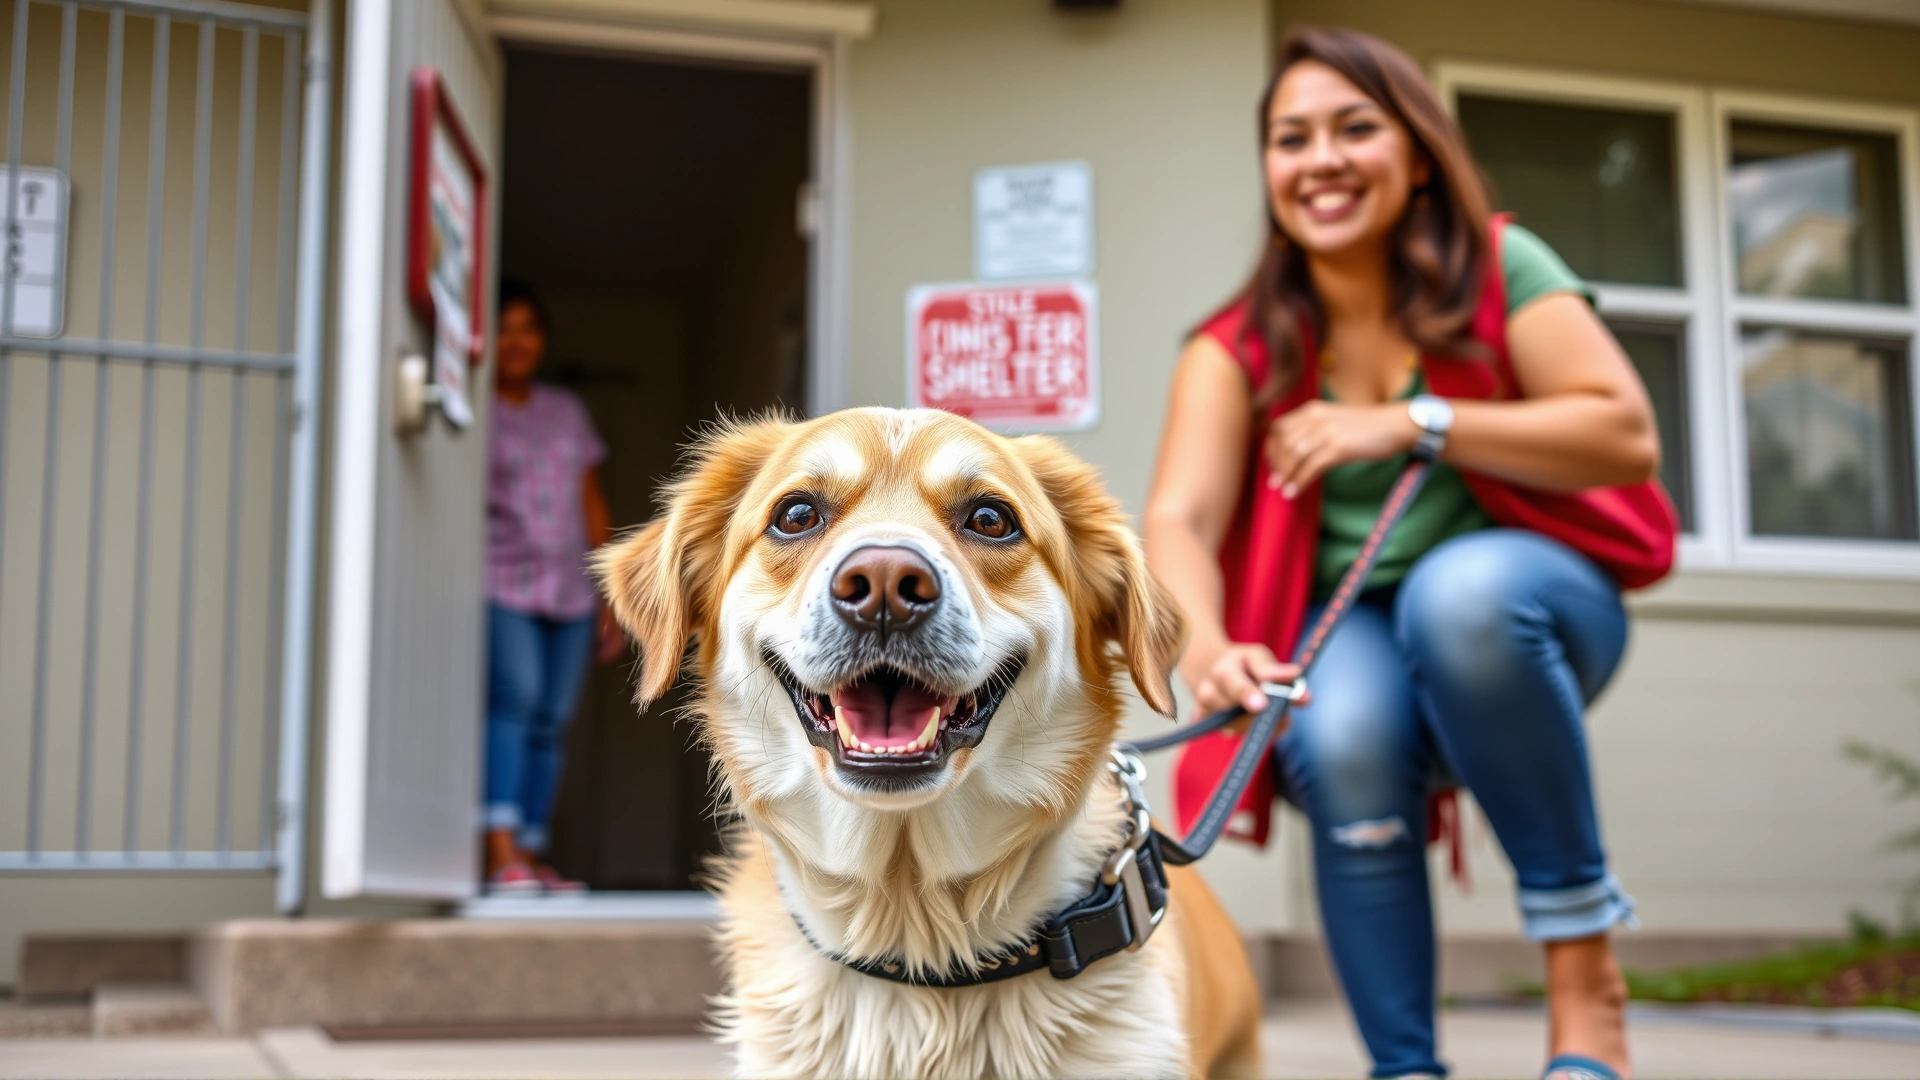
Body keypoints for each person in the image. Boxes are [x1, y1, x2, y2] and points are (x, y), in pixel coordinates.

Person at [1144, 28, 1675, 1080]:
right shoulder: (1234, 344)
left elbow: (1623, 433)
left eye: (1356, 128)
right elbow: (1178, 524)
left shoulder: (1504, 266)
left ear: (1420, 152)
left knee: (1459, 595)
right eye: (1292, 139)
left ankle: (1585, 982)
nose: (1322, 160)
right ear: (1270, 170)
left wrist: (1416, 422)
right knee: (1336, 730)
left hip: (1531, 607)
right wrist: (1206, 648)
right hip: (1355, 637)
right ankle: (1403, 1067)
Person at [483, 279, 623, 894]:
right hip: (499, 581)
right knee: (517, 698)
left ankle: (532, 856)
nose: (516, 342)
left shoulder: (566, 412)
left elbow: (591, 500)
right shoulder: (472, 408)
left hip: (570, 590)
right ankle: (498, 849)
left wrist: (610, 594)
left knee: (551, 719)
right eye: (504, 327)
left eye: (527, 329)